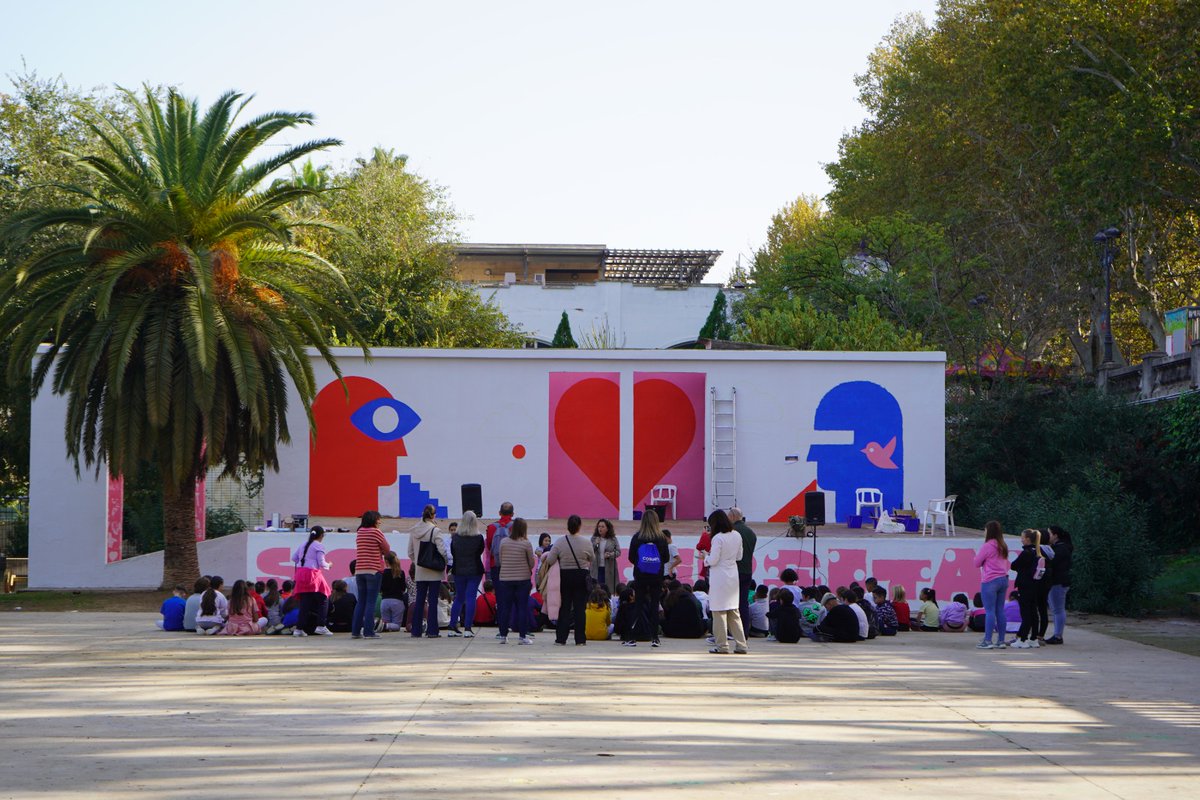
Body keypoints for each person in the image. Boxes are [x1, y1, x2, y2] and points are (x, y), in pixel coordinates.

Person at [539, 514, 594, 646]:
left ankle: (561, 638)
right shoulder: (586, 542)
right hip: (581, 576)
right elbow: (592, 558)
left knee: (564, 607)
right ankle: (580, 639)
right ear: (579, 526)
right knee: (580, 609)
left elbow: (550, 560)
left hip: (565, 576)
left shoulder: (560, 542)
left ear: (568, 527)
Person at [704, 509, 749, 654]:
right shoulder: (737, 535)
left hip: (719, 578)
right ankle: (742, 645)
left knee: (718, 613)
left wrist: (705, 558)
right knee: (734, 612)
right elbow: (739, 556)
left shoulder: (718, 538)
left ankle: (722, 646)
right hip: (733, 576)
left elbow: (713, 560)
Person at [628, 510, 671, 648]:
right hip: (656, 576)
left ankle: (632, 637)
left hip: (640, 575)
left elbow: (631, 557)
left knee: (638, 604)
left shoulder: (637, 537)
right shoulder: (661, 538)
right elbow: (666, 558)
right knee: (654, 604)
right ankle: (655, 638)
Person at [407, 504, 449, 638]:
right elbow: (442, 550)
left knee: (419, 599)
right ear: (433, 515)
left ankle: (416, 630)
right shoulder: (435, 531)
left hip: (420, 570)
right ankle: (432, 630)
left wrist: (417, 563)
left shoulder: (414, 530)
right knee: (433, 600)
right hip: (434, 570)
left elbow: (410, 552)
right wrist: (444, 562)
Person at [496, 517, 535, 645]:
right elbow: (531, 563)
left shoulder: (504, 542)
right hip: (522, 579)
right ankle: (522, 637)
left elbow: (501, 560)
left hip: (505, 579)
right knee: (522, 608)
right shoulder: (526, 543)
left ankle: (503, 635)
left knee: (505, 608)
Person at [448, 510, 485, 638]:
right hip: (474, 570)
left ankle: (452, 626)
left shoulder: (455, 538)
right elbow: (480, 551)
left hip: (458, 570)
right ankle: (468, 628)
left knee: (459, 597)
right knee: (471, 597)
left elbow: (453, 552)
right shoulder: (478, 538)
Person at [352, 511, 389, 640]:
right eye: (379, 519)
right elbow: (387, 549)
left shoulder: (360, 531)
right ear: (374, 520)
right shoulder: (376, 532)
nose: (380, 522)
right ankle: (369, 632)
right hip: (373, 570)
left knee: (361, 601)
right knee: (371, 602)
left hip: (359, 570)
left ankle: (356, 631)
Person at [973, 520, 1010, 649]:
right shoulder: (1003, 545)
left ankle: (987, 640)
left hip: (990, 580)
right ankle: (1001, 640)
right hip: (1003, 579)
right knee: (1000, 610)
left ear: (989, 531)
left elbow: (976, 563)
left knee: (989, 611)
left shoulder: (987, 546)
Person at [292, 526, 334, 637]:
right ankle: (321, 626)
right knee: (324, 597)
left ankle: (299, 629)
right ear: (321, 535)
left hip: (300, 574)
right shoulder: (319, 546)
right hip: (312, 574)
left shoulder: (303, 544)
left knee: (305, 602)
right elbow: (322, 563)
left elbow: (294, 558)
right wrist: (329, 565)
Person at [1011, 528, 1048, 648]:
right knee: (1033, 612)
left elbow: (1013, 565)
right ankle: (1033, 638)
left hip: (1025, 586)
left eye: (1022, 538)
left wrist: (1020, 568)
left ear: (1027, 539)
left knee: (1025, 612)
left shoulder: (1026, 553)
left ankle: (1023, 639)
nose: (1021, 540)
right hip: (1035, 585)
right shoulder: (1037, 551)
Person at [728, 507, 757, 637]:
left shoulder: (732, 532)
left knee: (730, 602)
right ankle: (744, 631)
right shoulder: (751, 533)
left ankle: (731, 631)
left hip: (734, 571)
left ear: (733, 517)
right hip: (747, 570)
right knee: (743, 602)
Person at [1044, 526, 1073, 645]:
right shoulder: (1062, 547)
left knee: (1058, 609)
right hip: (1058, 581)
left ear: (1055, 535)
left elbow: (1052, 562)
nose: (1048, 536)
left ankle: (1058, 635)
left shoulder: (1060, 549)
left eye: (1049, 534)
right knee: (1056, 609)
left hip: (1058, 582)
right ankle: (1057, 634)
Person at [486, 501, 515, 587]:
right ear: (512, 514)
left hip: (495, 563)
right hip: (511, 564)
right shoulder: (516, 526)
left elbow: (489, 546)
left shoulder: (491, 527)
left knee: (498, 590)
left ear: (499, 513)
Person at [379, 552, 409, 633]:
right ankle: (385, 626)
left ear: (386, 561)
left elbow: (381, 588)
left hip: (385, 601)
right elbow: (403, 588)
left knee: (385, 624)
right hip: (397, 601)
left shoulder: (383, 573)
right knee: (396, 626)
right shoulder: (401, 572)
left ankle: (382, 625)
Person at [590, 519, 620, 593]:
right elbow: (590, 551)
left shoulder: (613, 539)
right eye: (599, 526)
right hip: (597, 568)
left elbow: (618, 552)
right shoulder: (594, 538)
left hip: (609, 568)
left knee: (608, 590)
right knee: (597, 589)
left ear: (607, 528)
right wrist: (596, 543)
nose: (600, 528)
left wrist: (610, 554)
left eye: (602, 526)